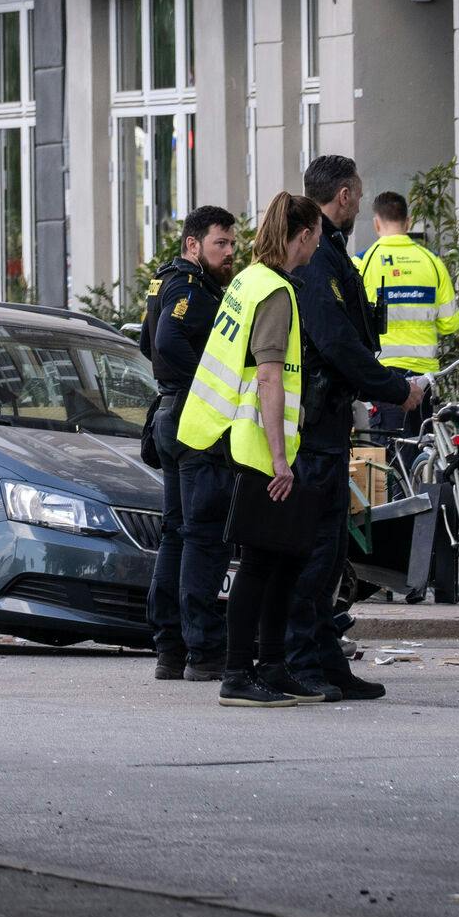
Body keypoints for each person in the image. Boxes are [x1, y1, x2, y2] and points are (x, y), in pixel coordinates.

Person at [175, 192, 324, 707]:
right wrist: (282, 461)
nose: (319, 241)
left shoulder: (246, 280)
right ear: (303, 236)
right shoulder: (276, 291)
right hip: (260, 446)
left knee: (281, 560)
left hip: (238, 437)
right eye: (317, 233)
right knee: (264, 564)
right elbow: (267, 377)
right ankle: (239, 673)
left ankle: (272, 667)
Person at [285, 157, 425, 702]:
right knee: (318, 552)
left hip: (328, 423)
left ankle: (324, 660)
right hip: (316, 426)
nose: (361, 205)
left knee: (331, 550)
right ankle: (306, 663)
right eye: (358, 196)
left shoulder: (330, 251)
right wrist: (393, 387)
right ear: (342, 196)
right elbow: (336, 342)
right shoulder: (319, 256)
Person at [138, 205, 238, 681]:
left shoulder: (164, 282)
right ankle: (203, 650)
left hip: (169, 412)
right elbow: (167, 338)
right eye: (222, 244)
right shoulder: (189, 286)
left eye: (233, 244)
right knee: (202, 534)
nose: (231, 253)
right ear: (194, 245)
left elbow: (146, 345)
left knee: (177, 533)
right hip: (190, 418)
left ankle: (170, 650)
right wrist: (211, 385)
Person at [357, 190, 459, 441]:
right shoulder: (433, 262)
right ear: (408, 222)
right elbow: (450, 323)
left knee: (389, 461)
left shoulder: (362, 262)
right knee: (423, 451)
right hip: (425, 380)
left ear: (376, 223)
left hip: (384, 378)